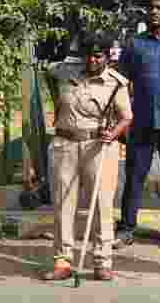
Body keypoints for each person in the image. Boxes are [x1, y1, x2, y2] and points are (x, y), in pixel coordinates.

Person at [42, 32, 133, 282]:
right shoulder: (65, 73)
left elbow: (127, 117)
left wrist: (113, 133)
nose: (92, 60)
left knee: (102, 206)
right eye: (88, 55)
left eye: (97, 55)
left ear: (106, 57)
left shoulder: (116, 83)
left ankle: (102, 261)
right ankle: (63, 261)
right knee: (63, 204)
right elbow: (48, 75)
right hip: (65, 143)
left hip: (99, 147)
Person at [116, 0, 160, 250]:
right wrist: (122, 119)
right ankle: (126, 228)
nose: (154, 12)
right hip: (142, 123)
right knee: (134, 176)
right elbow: (120, 83)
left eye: (159, 8)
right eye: (151, 8)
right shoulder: (135, 45)